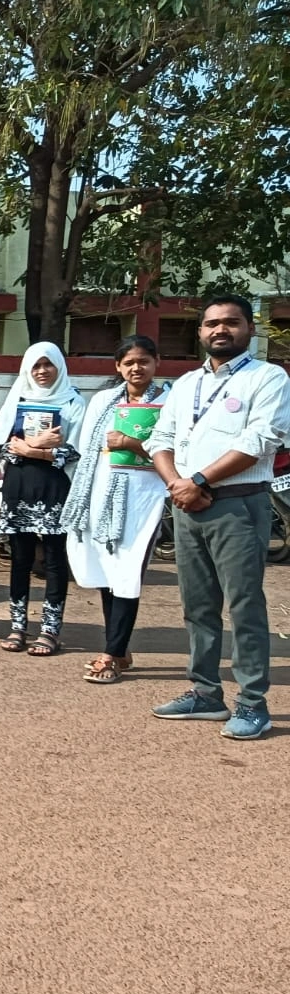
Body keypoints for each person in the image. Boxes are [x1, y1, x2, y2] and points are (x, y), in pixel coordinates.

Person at [148, 296, 290, 740]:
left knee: (244, 605)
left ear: (250, 328)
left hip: (238, 505)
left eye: (231, 322)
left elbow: (261, 439)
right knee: (197, 605)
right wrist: (178, 485)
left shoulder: (268, 377)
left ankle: (252, 703)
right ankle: (206, 692)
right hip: (187, 505)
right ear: (200, 332)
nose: (220, 330)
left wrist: (199, 481)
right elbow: (160, 438)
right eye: (211, 323)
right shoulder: (186, 384)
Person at [63, 336, 169, 683]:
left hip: (144, 497)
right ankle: (119, 648)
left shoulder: (170, 402)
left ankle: (110, 655)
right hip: (100, 494)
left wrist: (131, 444)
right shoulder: (104, 401)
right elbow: (86, 449)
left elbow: (175, 450)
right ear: (118, 367)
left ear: (157, 362)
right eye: (129, 363)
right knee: (108, 571)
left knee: (128, 570)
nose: (137, 368)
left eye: (144, 361)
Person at [0, 343, 84, 657]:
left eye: (48, 365)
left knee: (54, 560)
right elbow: (0, 446)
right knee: (20, 559)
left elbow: (77, 451)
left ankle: (50, 631)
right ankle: (18, 626)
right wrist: (39, 444)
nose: (42, 371)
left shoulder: (73, 401)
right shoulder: (18, 397)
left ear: (59, 366)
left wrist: (32, 450)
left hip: (55, 487)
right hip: (19, 486)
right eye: (36, 366)